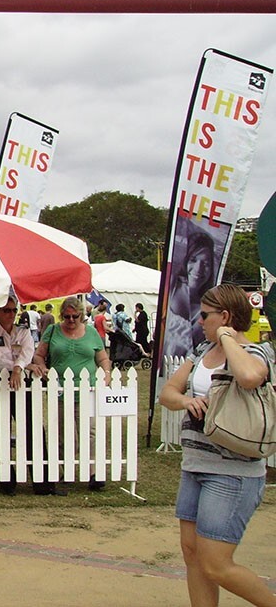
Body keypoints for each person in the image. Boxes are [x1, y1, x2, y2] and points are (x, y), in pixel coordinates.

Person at [158, 284, 276, 607]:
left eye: (206, 316)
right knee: (192, 553)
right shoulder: (200, 352)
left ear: (225, 317)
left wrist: (227, 337)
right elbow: (167, 393)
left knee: (216, 563)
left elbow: (250, 376)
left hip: (233, 472)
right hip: (194, 465)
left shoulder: (255, 352)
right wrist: (185, 400)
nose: (199, 321)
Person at [33, 295, 112, 491]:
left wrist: (107, 374)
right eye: (67, 317)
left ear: (81, 316)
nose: (70, 321)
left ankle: (94, 473)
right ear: (61, 316)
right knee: (64, 433)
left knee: (91, 432)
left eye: (75, 317)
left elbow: (102, 358)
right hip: (60, 390)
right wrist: (42, 368)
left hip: (88, 389)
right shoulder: (52, 331)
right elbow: (39, 355)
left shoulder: (92, 333)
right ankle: (65, 470)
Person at [0, 296, 57, 496]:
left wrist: (19, 366)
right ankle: (7, 481)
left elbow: (28, 350)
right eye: (6, 310)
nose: (11, 314)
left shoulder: (23, 332)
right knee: (0, 431)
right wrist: (19, 366)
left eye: (14, 310)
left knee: (33, 429)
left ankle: (42, 481)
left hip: (22, 384)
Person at [163, 227, 218, 357]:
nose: (198, 269)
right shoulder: (171, 287)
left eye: (206, 263)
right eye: (193, 260)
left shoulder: (207, 310)